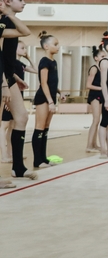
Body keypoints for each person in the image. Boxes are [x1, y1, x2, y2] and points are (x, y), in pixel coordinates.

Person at [0, 0, 37, 181]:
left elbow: (25, 33)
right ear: (6, 0)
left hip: (7, 76)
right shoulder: (2, 23)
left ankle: (18, 167)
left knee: (21, 117)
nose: (24, 3)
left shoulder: (8, 21)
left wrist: (14, 77)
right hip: (2, 79)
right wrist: (5, 83)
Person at [32, 31, 63, 168]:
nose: (58, 46)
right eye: (55, 44)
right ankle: (37, 161)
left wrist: (59, 92)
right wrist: (50, 101)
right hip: (43, 98)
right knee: (39, 127)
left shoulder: (53, 61)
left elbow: (52, 82)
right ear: (46, 46)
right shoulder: (44, 61)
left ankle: (43, 158)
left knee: (45, 128)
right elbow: (43, 83)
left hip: (51, 96)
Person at [1, 41, 36, 163]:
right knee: (4, 126)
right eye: (22, 48)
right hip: (8, 96)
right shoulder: (9, 62)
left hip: (16, 96)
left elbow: (36, 70)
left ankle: (11, 153)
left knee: (12, 125)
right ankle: (4, 155)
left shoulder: (20, 64)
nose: (25, 50)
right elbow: (7, 75)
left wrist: (29, 57)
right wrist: (7, 100)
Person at [85, 45, 106, 153]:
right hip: (94, 95)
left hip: (101, 95)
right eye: (102, 56)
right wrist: (101, 88)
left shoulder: (102, 69)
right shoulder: (94, 68)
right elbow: (88, 85)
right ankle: (89, 145)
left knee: (98, 121)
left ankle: (94, 144)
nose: (104, 58)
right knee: (96, 120)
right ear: (96, 58)